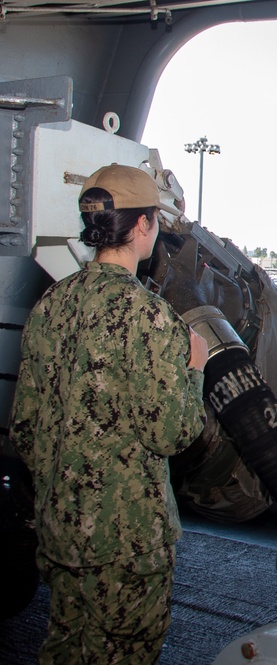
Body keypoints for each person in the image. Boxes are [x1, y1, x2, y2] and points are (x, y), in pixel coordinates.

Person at [10, 164, 209, 664]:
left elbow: (26, 428)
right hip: (126, 543)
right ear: (143, 225)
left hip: (60, 528)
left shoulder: (51, 303)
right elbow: (172, 432)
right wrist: (194, 369)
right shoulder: (147, 315)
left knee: (63, 645)